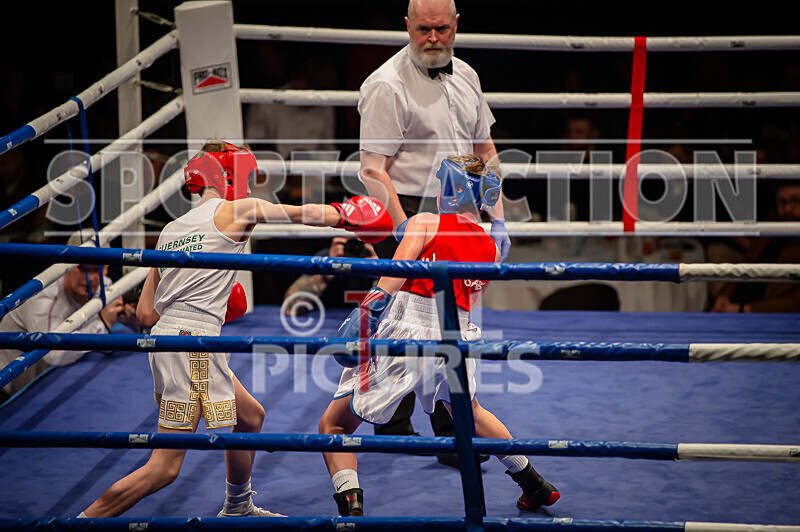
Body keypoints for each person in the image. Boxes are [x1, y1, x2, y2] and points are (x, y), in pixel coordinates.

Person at [80, 140, 392, 518]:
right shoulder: (235, 210)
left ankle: (238, 505)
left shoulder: (169, 230)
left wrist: (207, 307)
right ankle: (80, 522)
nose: (248, 185)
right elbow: (302, 213)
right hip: (193, 344)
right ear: (230, 175)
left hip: (174, 338)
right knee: (163, 468)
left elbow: (146, 314)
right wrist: (347, 213)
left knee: (250, 417)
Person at [318, 155, 559, 516]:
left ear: (451, 188)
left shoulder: (426, 223)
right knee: (471, 412)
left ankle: (351, 511)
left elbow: (394, 273)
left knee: (333, 424)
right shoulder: (492, 248)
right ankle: (534, 483)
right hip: (459, 333)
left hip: (408, 326)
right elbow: (468, 297)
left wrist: (363, 314)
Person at [356, 0, 509, 455]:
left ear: (457, 24)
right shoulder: (386, 85)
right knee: (406, 321)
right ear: (407, 26)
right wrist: (408, 231)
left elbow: (485, 149)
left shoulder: (468, 75)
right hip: (410, 212)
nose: (433, 38)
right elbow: (371, 169)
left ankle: (453, 433)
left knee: (453, 325)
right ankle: (394, 424)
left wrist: (498, 219)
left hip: (460, 217)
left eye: (441, 28)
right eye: (423, 29)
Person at [0, 230, 127, 401]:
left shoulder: (104, 285)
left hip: (52, 383)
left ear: (106, 268)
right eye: (82, 269)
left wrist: (128, 315)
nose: (90, 279)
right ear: (66, 265)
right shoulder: (43, 298)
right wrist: (101, 323)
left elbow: (113, 312)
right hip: (11, 392)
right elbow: (54, 355)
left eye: (96, 269)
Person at [711, 180, 800, 313]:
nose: (787, 208)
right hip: (739, 308)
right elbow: (745, 265)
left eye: (795, 201)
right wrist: (723, 297)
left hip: (767, 316)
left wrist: (745, 309)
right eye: (781, 202)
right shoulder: (769, 227)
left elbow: (796, 302)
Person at [283, 236, 378, 317]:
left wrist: (380, 268)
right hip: (329, 327)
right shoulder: (327, 258)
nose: (355, 249)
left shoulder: (379, 256)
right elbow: (290, 309)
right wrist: (328, 271)